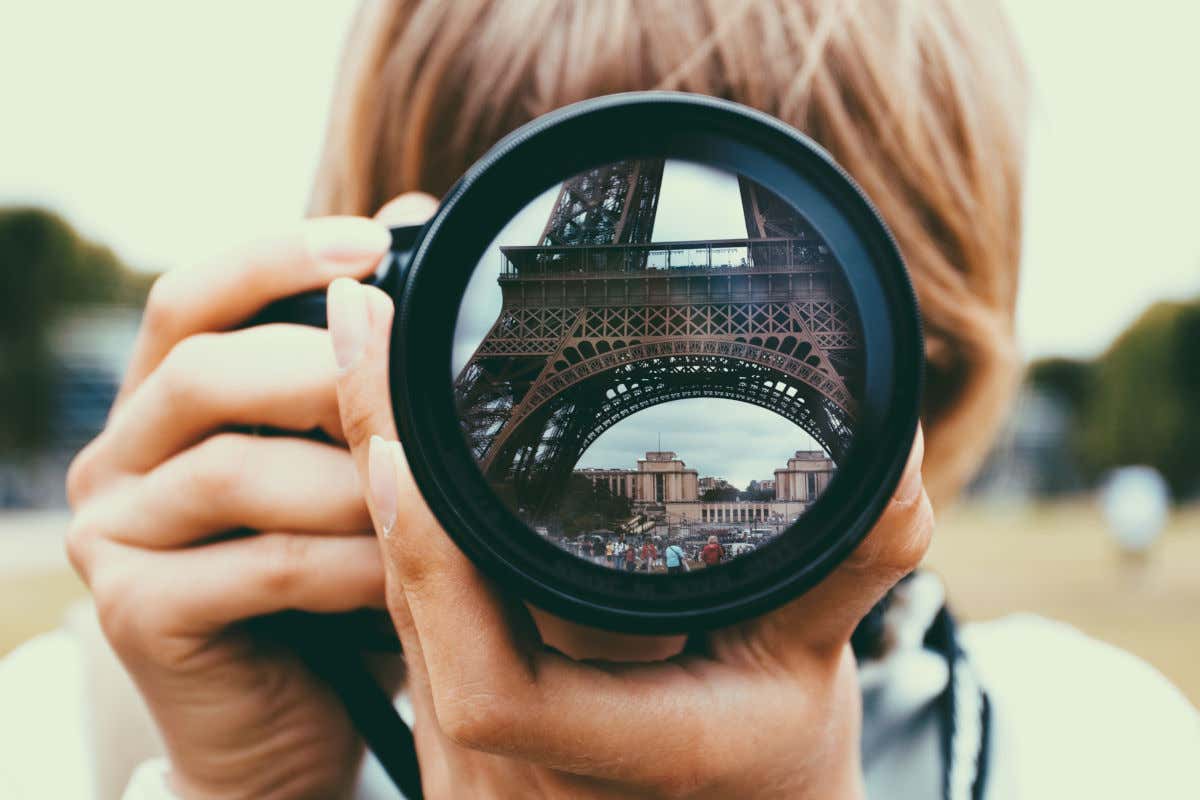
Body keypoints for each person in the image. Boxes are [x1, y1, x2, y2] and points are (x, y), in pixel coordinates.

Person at [2, 2, 1196, 798]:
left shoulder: (1104, 742)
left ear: (923, 371)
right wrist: (250, 788)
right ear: (370, 329)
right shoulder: (88, 728)